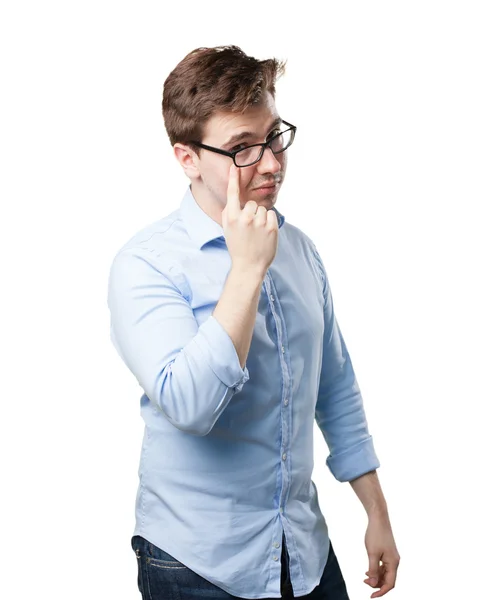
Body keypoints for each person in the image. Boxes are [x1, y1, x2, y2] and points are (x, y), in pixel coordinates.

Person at [107, 45, 400, 600]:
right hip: (196, 563)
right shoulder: (145, 264)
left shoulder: (301, 251)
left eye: (273, 137)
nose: (270, 162)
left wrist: (375, 511)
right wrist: (245, 270)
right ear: (187, 157)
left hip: (303, 548)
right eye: (242, 148)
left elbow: (334, 387)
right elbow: (190, 406)